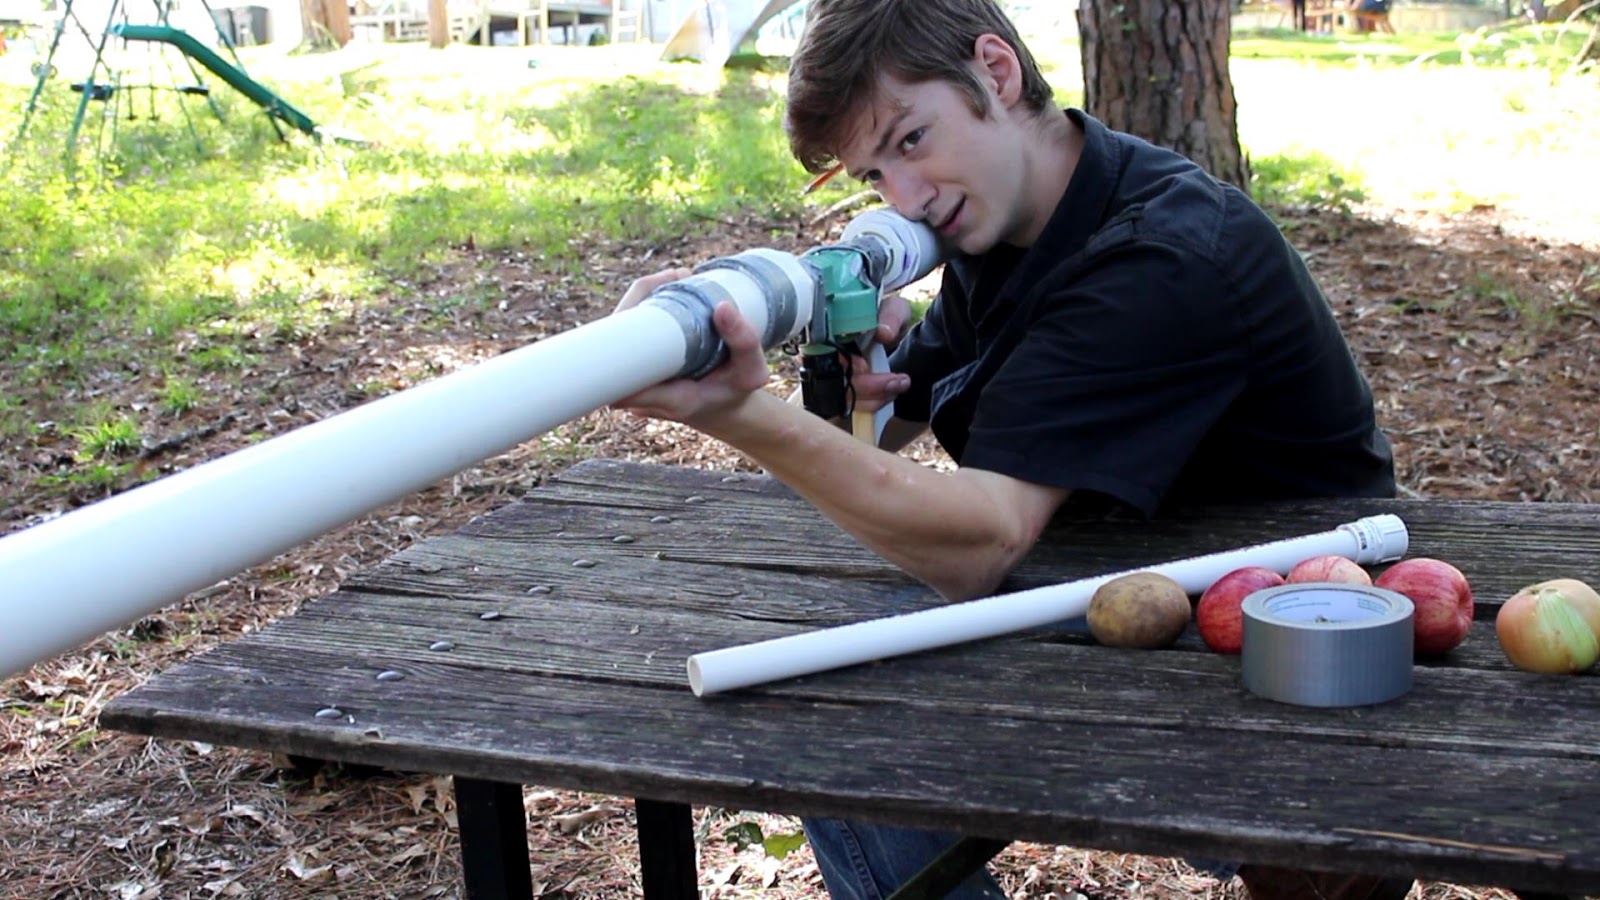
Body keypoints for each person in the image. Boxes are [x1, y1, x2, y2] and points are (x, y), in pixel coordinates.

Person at [611, 1, 1401, 897]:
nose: (905, 201)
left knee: (845, 736)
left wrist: (737, 413)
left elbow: (979, 546)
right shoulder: (1013, 212)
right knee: (839, 719)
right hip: (1136, 580)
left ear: (996, 70)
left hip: (1297, 648)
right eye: (874, 177)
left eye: (911, 140)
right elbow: (894, 419)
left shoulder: (1156, 260)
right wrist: (856, 377)